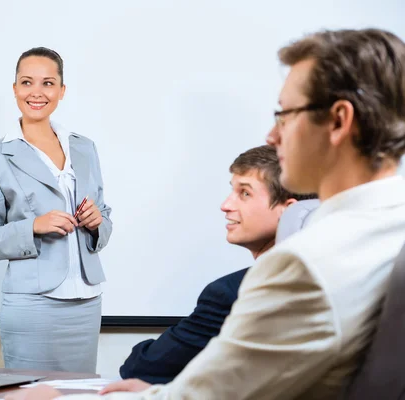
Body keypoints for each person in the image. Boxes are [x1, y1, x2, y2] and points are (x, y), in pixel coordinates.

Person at [6, 28, 405, 399]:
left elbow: (205, 396)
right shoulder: (391, 226)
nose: (272, 135)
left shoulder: (304, 266)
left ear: (338, 121)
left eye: (285, 114)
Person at [120, 145, 316, 384]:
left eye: (245, 193)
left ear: (289, 210)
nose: (226, 205)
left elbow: (144, 366)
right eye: (232, 192)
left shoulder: (233, 293)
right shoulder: (328, 276)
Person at [0, 47, 112, 373]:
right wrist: (33, 226)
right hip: (32, 305)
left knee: (79, 397)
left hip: (87, 302)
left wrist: (97, 222)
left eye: (48, 83)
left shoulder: (83, 147)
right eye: (27, 82)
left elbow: (104, 213)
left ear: (61, 91)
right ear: (15, 88)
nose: (37, 92)